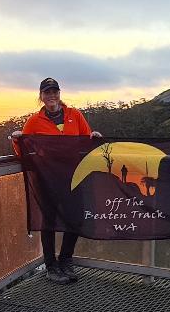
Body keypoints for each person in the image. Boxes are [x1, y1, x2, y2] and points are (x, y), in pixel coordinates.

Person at [11, 77, 103, 284]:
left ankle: (66, 260)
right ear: (41, 97)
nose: (51, 95)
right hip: (47, 177)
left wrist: (94, 136)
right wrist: (18, 140)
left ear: (59, 94)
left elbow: (85, 139)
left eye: (55, 91)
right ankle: (51, 266)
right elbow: (24, 151)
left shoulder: (74, 115)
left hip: (73, 175)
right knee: (49, 221)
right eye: (47, 92)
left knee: (76, 217)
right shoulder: (34, 121)